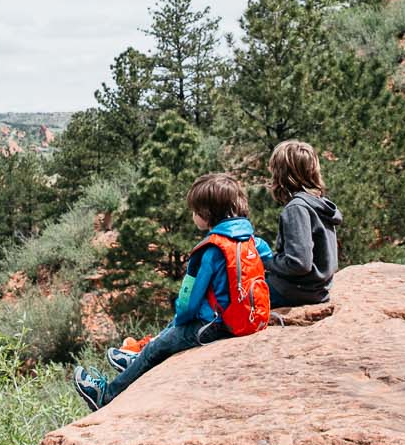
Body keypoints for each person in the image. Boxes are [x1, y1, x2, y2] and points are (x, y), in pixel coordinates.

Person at [74, 172, 271, 411]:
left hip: (217, 328)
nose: (192, 215)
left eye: (195, 211)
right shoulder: (253, 241)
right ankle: (136, 355)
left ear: (206, 214)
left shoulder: (210, 251)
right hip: (253, 320)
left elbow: (187, 305)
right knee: (169, 334)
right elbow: (267, 264)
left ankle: (105, 395)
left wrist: (177, 325)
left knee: (161, 346)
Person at [261, 140, 340, 308]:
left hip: (294, 292)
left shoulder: (296, 208)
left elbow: (299, 263)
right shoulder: (319, 203)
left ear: (281, 174)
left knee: (231, 298)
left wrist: (267, 263)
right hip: (318, 290)